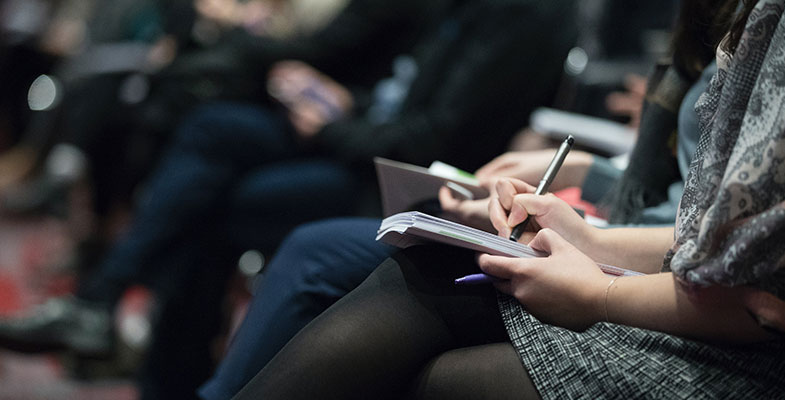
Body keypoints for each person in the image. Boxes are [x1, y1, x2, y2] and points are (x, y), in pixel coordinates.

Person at [0, 0, 578, 398]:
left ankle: (135, 338)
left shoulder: (523, 14)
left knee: (215, 202)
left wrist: (328, 122)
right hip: (362, 140)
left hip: (412, 183)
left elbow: (431, 137)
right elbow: (390, 89)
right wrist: (337, 102)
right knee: (210, 129)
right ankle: (115, 317)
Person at [229, 0, 785, 398]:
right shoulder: (742, 20)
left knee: (407, 337)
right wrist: (590, 234)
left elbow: (760, 292)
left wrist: (599, 288)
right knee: (405, 264)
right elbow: (707, 229)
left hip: (750, 356)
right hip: (670, 268)